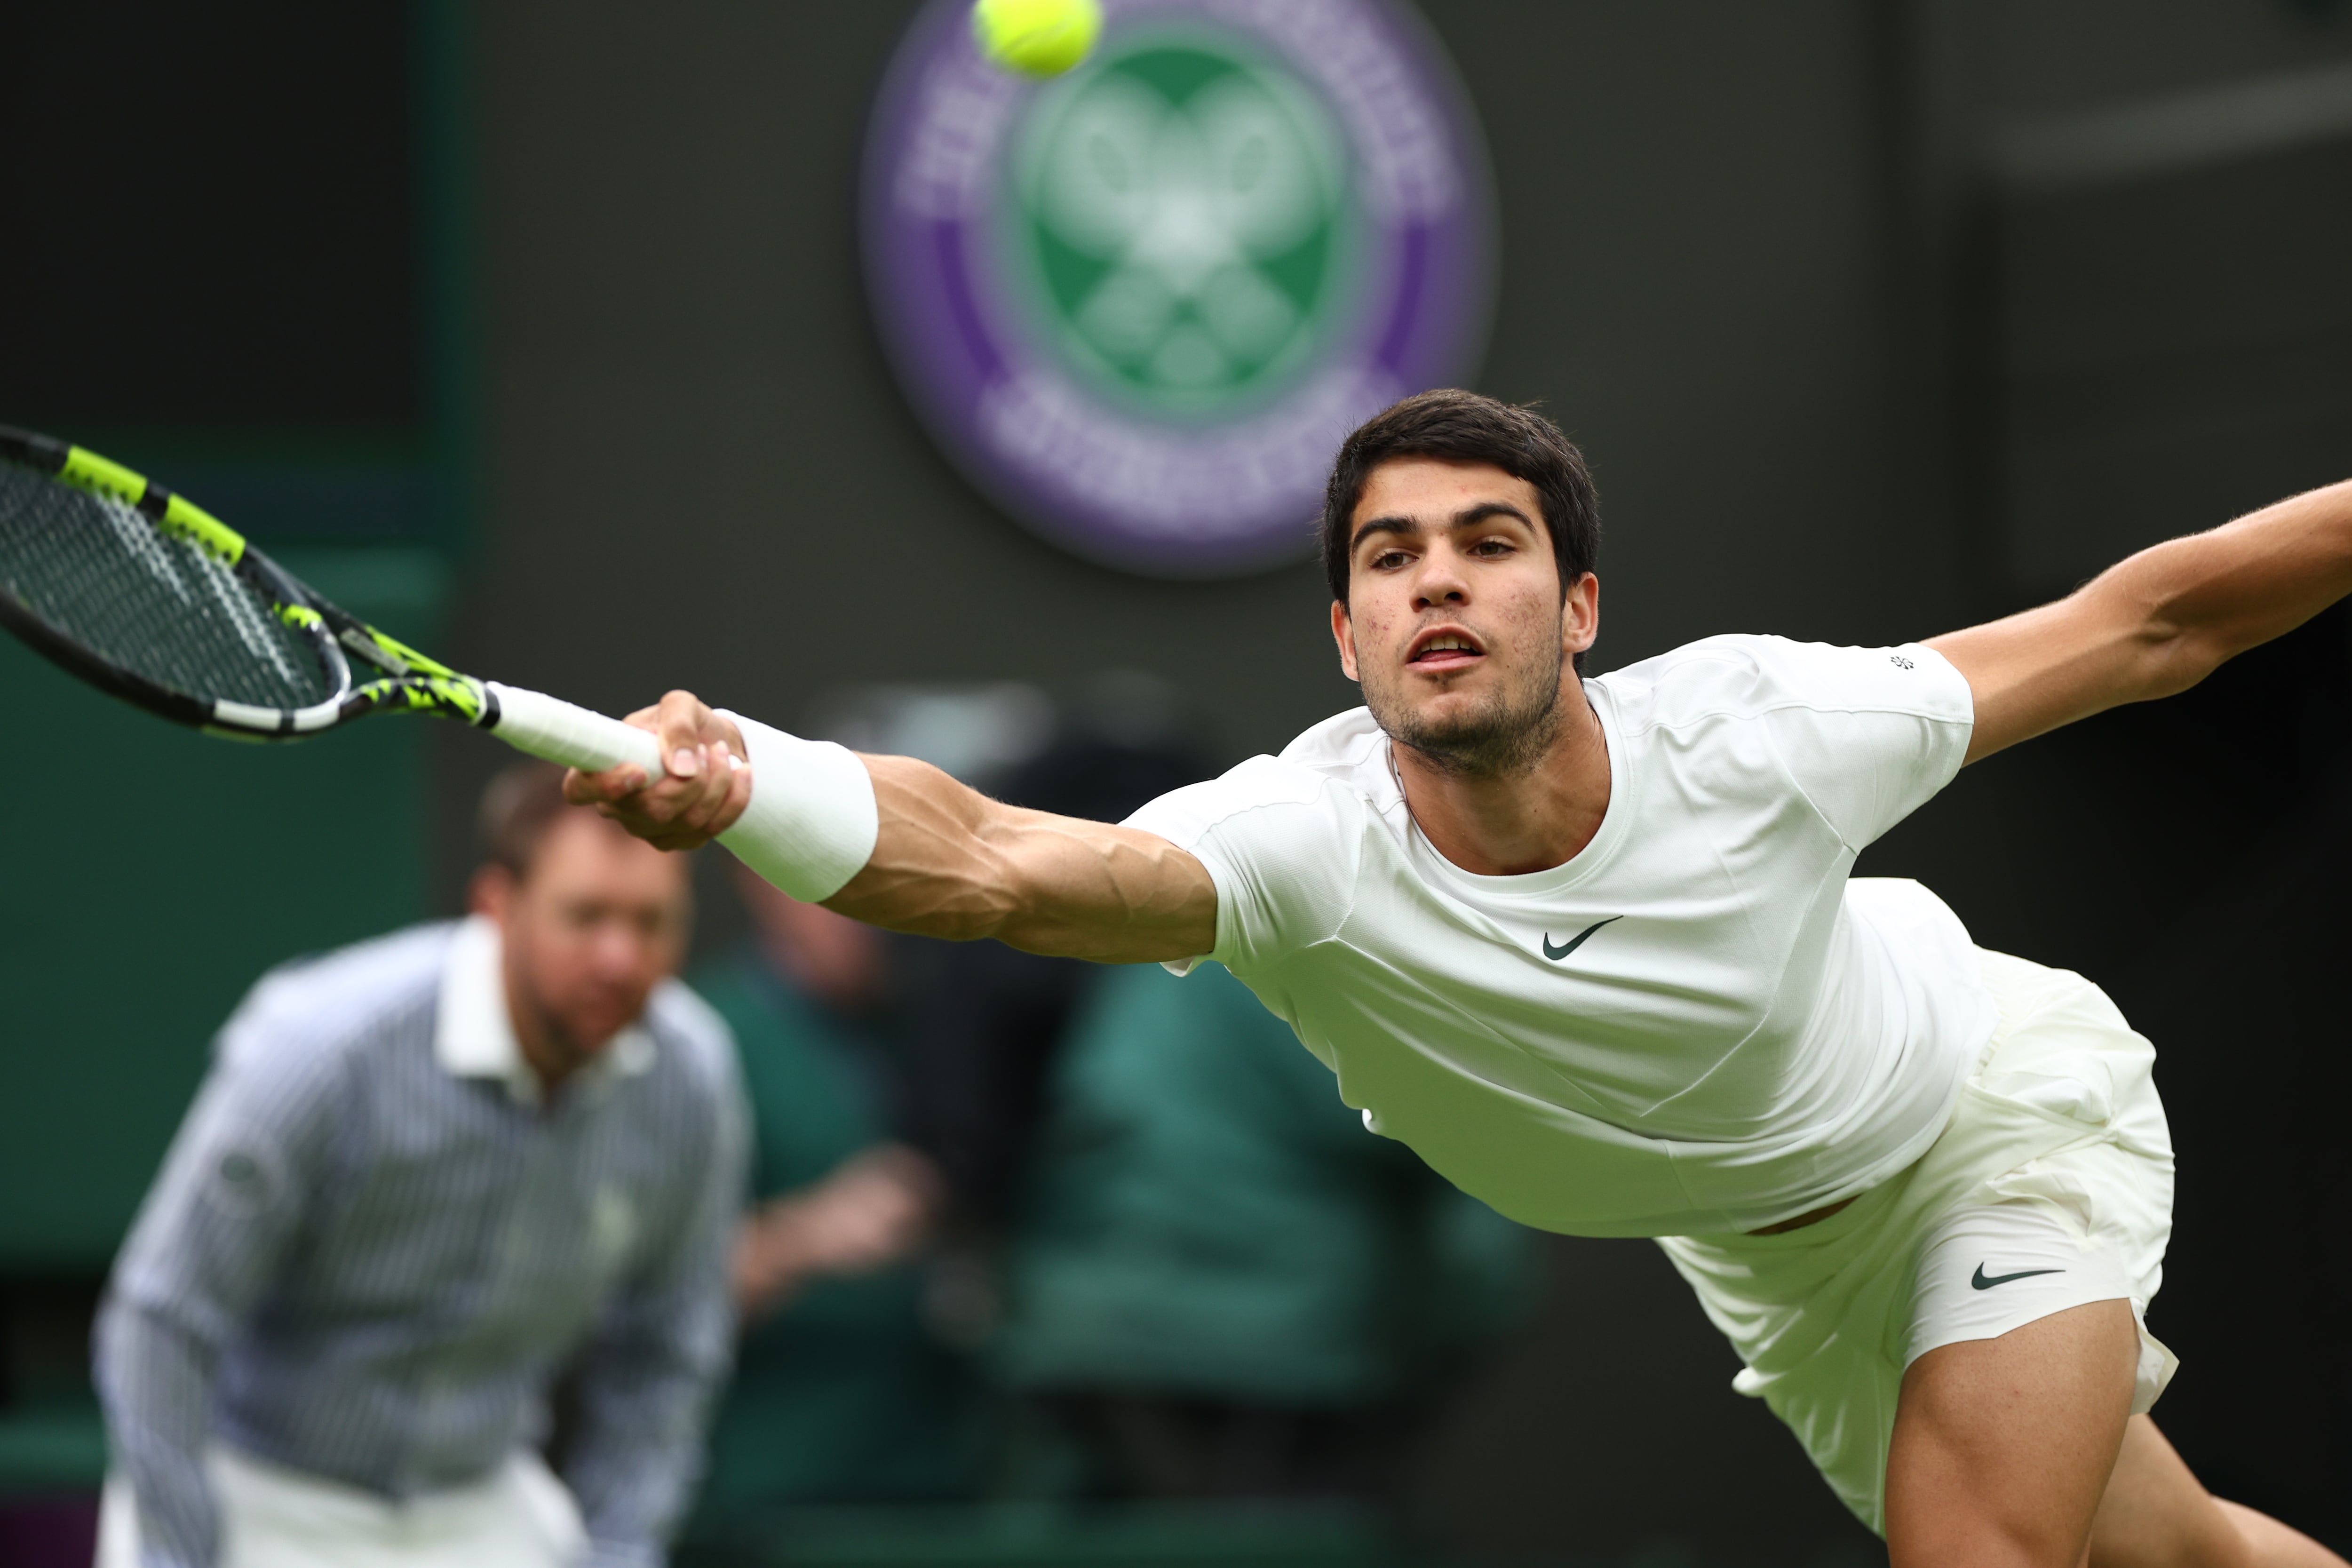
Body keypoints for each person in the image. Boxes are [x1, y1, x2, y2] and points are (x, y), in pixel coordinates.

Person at [569, 388, 2351, 1567]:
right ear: (1343, 639)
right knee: (2178, 1555)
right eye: (1386, 556)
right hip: (1780, 1269)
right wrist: (748, 783)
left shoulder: (1765, 729)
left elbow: (2153, 622)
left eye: (1487, 543)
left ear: (1576, 607)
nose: (1437, 582)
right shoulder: (1297, 845)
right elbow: (988, 866)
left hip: (1981, 1119)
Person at [96, 763, 746, 1568]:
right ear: (496, 908)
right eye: (585, 916)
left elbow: (671, 1349)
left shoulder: (694, 1077)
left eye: (653, 921)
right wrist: (174, 1550)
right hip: (258, 1493)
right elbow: (163, 1317)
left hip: (483, 1504)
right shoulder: (319, 1047)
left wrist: (617, 1549)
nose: (619, 957)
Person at [997, 959, 1532, 1503]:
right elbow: (1409, 1114)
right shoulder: (1313, 943)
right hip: (1264, 1331)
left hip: (1078, 1306)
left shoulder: (1163, 941)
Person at [687, 863, 978, 1529]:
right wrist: (804, 1237)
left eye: (883, 886)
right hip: (769, 1495)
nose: (865, 914)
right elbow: (629, 1297)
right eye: (833, 883)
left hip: (938, 1486)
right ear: (761, 881)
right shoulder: (706, 1040)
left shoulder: (932, 1025)